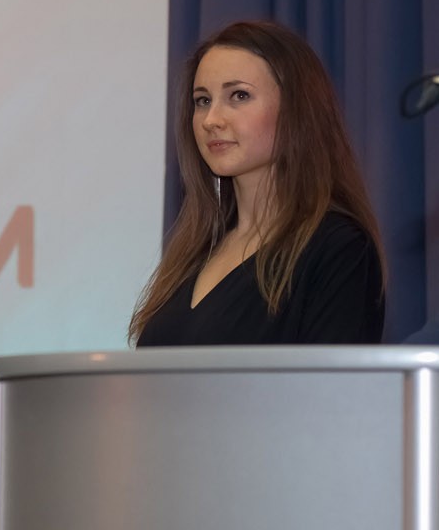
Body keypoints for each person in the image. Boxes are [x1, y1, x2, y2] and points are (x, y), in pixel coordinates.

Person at [131, 20, 385, 346]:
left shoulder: (339, 248)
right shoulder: (195, 251)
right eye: (202, 100)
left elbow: (331, 378)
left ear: (297, 110)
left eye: (239, 95)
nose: (211, 120)